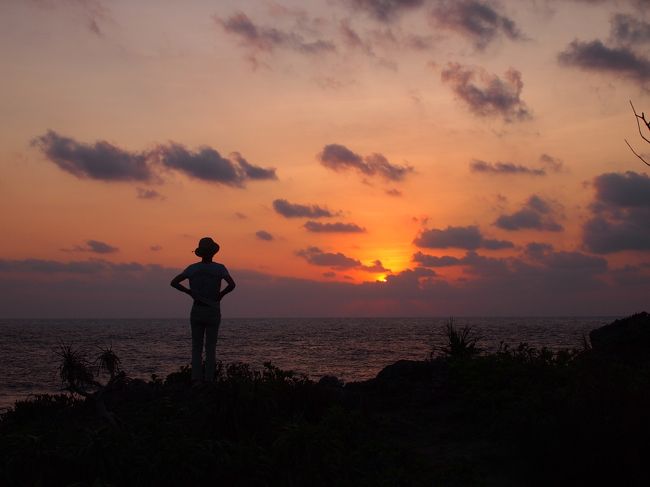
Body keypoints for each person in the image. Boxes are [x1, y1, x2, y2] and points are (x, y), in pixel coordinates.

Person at [170, 237, 236, 383]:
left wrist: (189, 292)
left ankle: (196, 380)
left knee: (196, 347)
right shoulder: (219, 268)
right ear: (213, 253)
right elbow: (232, 285)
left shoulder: (192, 268)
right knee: (210, 348)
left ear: (201, 253)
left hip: (197, 309)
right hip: (213, 309)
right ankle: (209, 380)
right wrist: (221, 295)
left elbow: (174, 282)